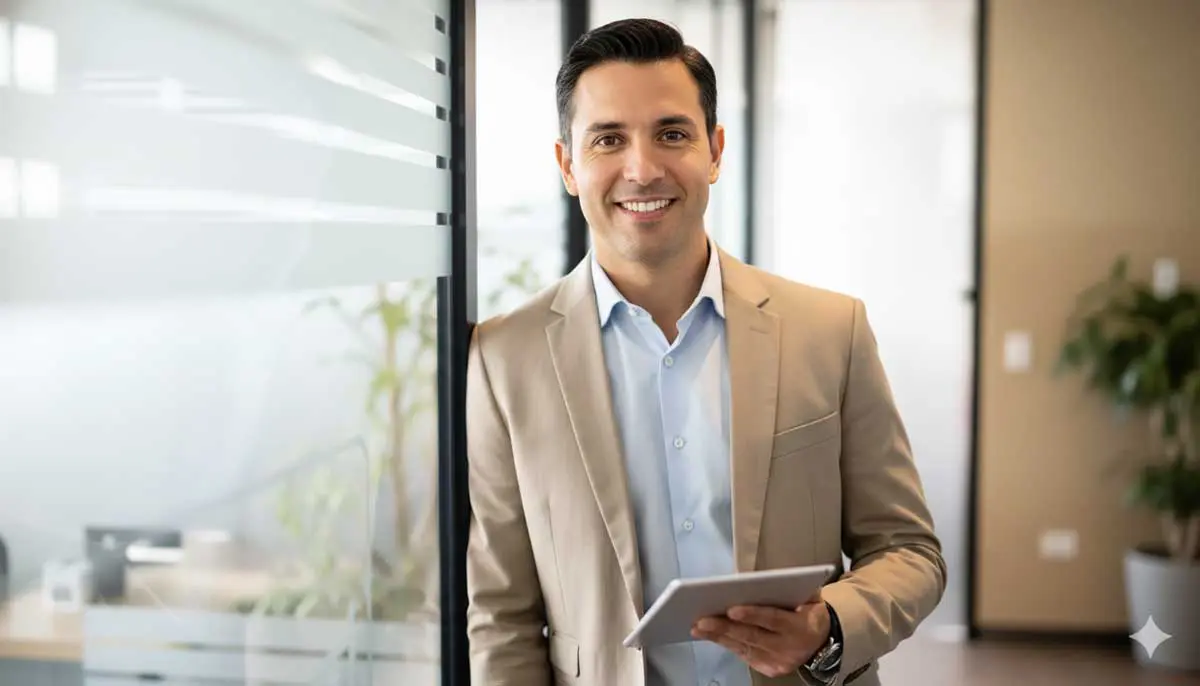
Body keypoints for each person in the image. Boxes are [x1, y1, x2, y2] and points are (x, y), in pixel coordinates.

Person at [465, 17, 945, 686]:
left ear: (714, 151)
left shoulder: (831, 331)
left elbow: (909, 551)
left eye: (672, 134)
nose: (642, 167)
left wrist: (827, 629)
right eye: (608, 139)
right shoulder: (501, 358)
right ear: (568, 165)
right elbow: (501, 616)